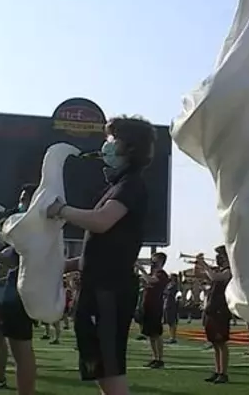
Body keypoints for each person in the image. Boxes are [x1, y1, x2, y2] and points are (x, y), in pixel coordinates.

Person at [46, 115, 156, 395]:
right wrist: (65, 265)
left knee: (110, 367)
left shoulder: (131, 185)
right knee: (99, 368)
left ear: (130, 147)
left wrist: (61, 210)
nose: (105, 145)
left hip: (110, 291)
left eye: (112, 139)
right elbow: (103, 246)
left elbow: (101, 221)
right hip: (97, 287)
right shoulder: (116, 186)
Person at [0, 184, 39, 394]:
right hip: (16, 291)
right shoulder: (31, 227)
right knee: (18, 350)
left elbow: (12, 261)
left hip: (20, 293)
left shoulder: (33, 229)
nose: (20, 202)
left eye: (24, 198)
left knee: (22, 351)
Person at [196, 247, 232, 384]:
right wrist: (198, 264)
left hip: (220, 311)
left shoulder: (229, 271)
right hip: (212, 310)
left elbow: (216, 278)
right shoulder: (219, 270)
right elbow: (203, 276)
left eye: (221, 255)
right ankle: (217, 371)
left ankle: (224, 373)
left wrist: (204, 263)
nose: (218, 258)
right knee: (215, 343)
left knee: (221, 342)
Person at [137, 252, 170, 368]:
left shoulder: (161, 274)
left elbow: (151, 281)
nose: (152, 262)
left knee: (156, 333)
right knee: (150, 334)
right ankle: (154, 357)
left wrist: (141, 269)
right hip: (148, 305)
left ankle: (160, 359)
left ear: (160, 261)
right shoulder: (154, 273)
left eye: (154, 260)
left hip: (156, 306)